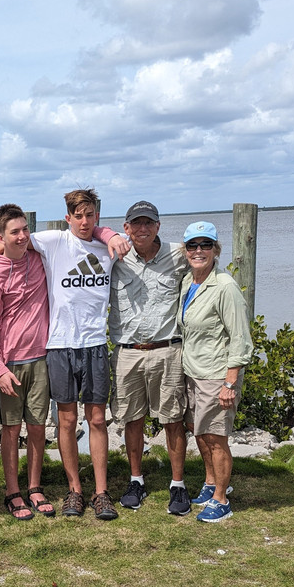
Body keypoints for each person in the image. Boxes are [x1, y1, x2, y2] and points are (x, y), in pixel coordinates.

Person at [27, 188, 128, 520]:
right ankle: (75, 491)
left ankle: (101, 492)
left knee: (97, 419)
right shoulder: (55, 241)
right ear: (68, 217)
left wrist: (110, 234)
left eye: (90, 215)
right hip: (60, 345)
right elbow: (10, 242)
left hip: (95, 344)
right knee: (67, 420)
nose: (85, 222)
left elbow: (127, 242)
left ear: (97, 215)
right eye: (78, 216)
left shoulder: (107, 246)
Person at [99, 201, 191, 515]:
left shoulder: (179, 254)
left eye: (148, 223)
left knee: (173, 419)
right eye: (135, 224)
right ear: (125, 228)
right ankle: (135, 479)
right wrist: (108, 237)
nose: (142, 229)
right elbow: (86, 237)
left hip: (168, 350)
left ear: (158, 226)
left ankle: (178, 484)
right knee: (131, 419)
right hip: (126, 353)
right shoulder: (113, 256)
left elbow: (208, 258)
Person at [0, 204, 54, 520]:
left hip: (42, 359)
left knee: (37, 428)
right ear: (0, 238)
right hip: (9, 364)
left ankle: (35, 487)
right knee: (10, 431)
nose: (23, 236)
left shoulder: (41, 259)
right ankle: (13, 492)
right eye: (15, 232)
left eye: (25, 229)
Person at [177, 221, 253, 523]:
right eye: (193, 245)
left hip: (216, 375)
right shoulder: (189, 281)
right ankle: (211, 484)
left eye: (205, 245)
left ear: (216, 250)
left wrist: (229, 383)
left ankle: (222, 499)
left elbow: (240, 339)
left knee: (217, 437)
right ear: (185, 251)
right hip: (193, 372)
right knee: (201, 432)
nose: (199, 251)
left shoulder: (225, 287)